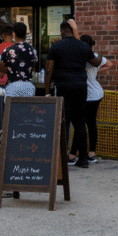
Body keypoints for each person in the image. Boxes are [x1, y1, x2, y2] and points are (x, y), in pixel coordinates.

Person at [46, 19, 101, 170]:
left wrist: (47, 91)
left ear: (62, 31)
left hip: (63, 86)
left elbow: (49, 69)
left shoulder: (56, 46)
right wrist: (100, 55)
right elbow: (95, 62)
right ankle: (83, 159)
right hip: (81, 87)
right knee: (80, 122)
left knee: (64, 122)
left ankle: (62, 159)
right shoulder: (83, 46)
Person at [70, 33, 109, 164]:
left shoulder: (79, 56)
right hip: (97, 93)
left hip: (85, 94)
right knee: (91, 123)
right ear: (92, 44)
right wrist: (97, 72)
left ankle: (71, 155)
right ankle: (92, 153)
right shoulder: (96, 56)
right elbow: (110, 64)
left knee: (79, 124)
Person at [1, 21, 39, 97]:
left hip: (12, 85)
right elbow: (34, 67)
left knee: (11, 108)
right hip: (28, 86)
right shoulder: (33, 50)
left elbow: (2, 69)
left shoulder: (7, 51)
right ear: (26, 34)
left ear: (13, 34)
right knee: (28, 108)